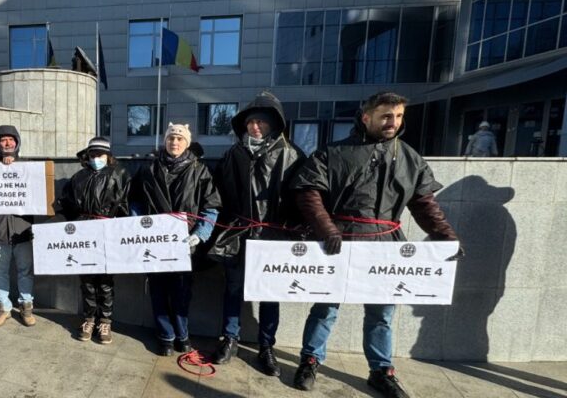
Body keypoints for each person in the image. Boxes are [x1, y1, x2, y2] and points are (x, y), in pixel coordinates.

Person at [290, 92, 464, 398]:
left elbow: (424, 204)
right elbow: (308, 191)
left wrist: (445, 236)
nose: (393, 123)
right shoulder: (333, 152)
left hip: (386, 244)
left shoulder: (409, 157)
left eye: (398, 117)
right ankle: (310, 359)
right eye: (386, 116)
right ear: (366, 116)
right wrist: (326, 228)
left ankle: (381, 370)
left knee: (382, 312)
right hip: (339, 243)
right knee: (325, 307)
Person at [211, 92, 305, 375]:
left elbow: (303, 196)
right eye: (250, 122)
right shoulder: (233, 154)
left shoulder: (292, 154)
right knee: (233, 288)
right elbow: (219, 193)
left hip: (273, 237)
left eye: (261, 122)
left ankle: (266, 347)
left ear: (273, 124)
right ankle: (230, 338)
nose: (255, 127)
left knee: (269, 293)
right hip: (239, 234)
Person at [129, 123, 220, 356]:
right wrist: (138, 224)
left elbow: (211, 207)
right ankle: (165, 335)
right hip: (155, 241)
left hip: (185, 243)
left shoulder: (200, 170)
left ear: (187, 143)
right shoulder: (148, 169)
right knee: (158, 289)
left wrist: (200, 235)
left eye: (180, 139)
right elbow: (135, 200)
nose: (175, 143)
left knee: (181, 291)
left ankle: (182, 334)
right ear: (164, 141)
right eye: (171, 138)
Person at [57, 136, 130, 344]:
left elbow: (125, 204)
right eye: (93, 154)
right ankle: (89, 318)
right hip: (84, 233)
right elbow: (67, 204)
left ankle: (105, 320)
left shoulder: (120, 175)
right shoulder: (78, 177)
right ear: (87, 156)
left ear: (108, 156)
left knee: (105, 281)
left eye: (100, 154)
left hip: (108, 232)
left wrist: (119, 228)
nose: (96, 158)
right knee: (87, 279)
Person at [0, 125, 36, 327]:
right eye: (2, 140)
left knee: (25, 271)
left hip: (22, 231)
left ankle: (26, 307)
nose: (7, 143)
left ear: (17, 142)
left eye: (10, 139)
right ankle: (3, 308)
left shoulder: (28, 169)